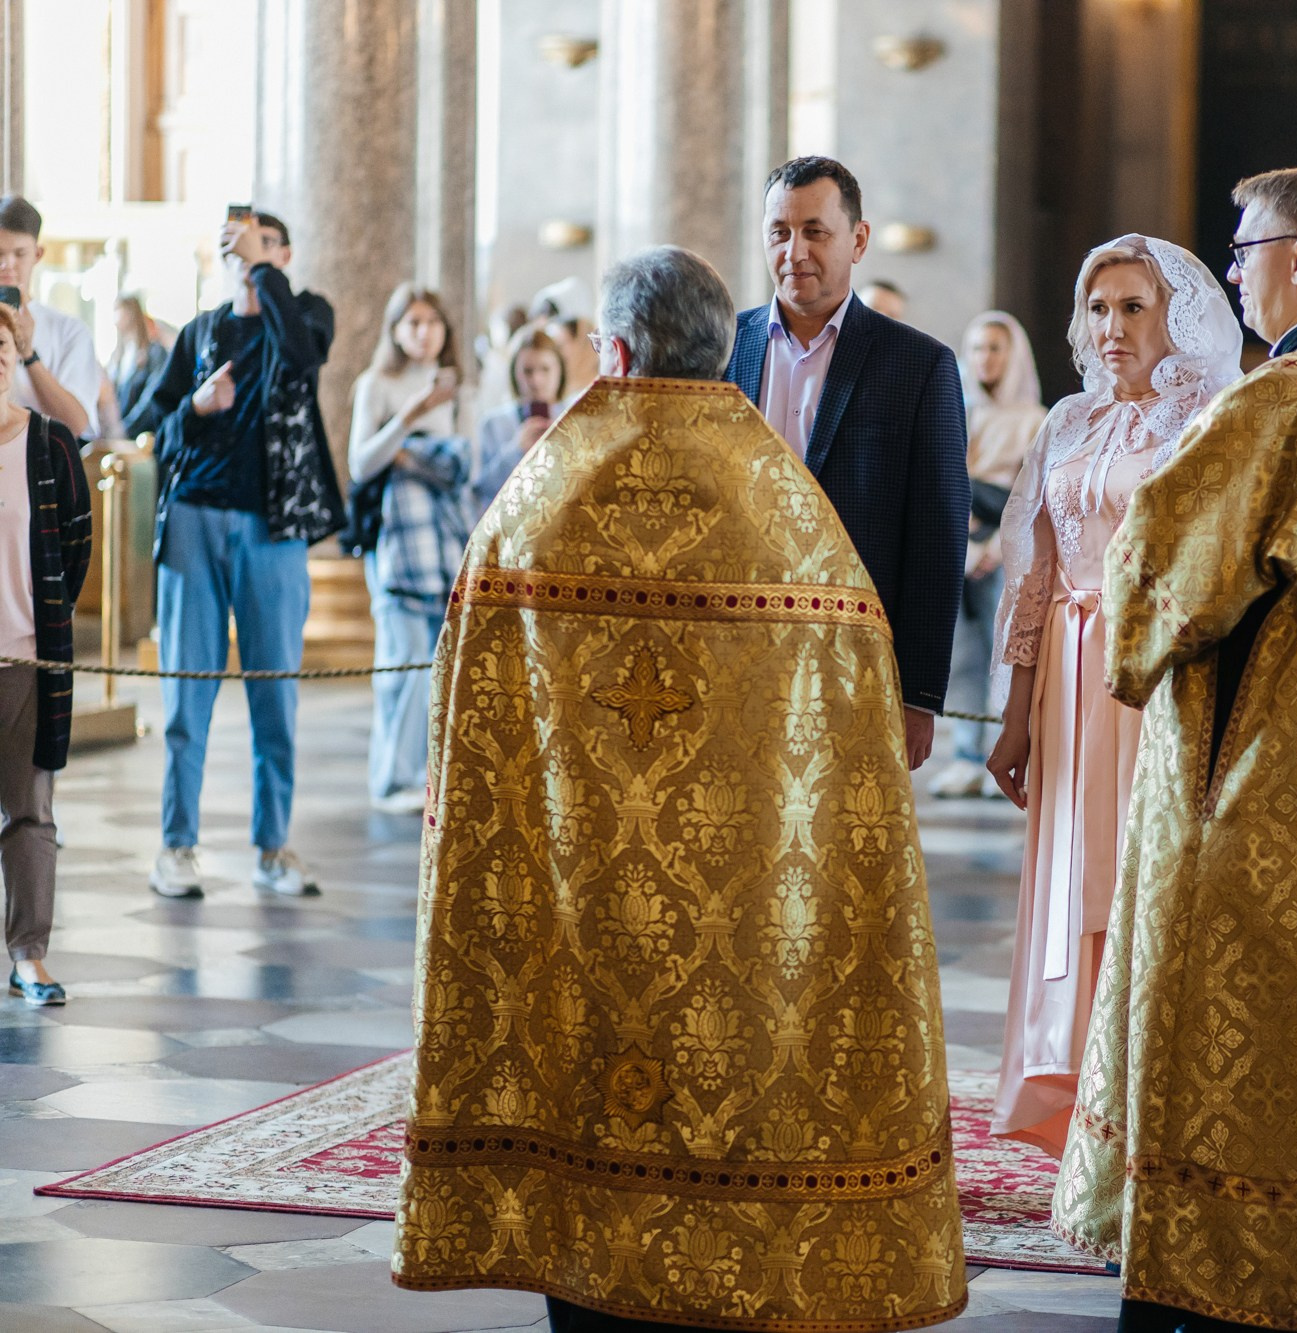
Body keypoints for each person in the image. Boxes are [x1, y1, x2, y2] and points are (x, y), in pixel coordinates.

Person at [394, 244, 966, 1331]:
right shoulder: (795, 521)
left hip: (581, 890)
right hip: (742, 910)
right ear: (724, 348)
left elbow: (467, 710)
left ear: (608, 350)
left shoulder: (538, 500)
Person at [1056, 166, 1297, 1333]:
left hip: (1260, 794)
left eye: (1242, 249)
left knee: (1237, 1051)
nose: (1226, 270)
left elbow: (1163, 571)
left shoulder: (1287, 399)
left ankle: (1227, 1282)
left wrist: (1119, 611)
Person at [982, 239, 1239, 1153]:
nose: (1113, 327)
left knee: (1138, 871)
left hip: (1151, 680)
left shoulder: (1206, 420)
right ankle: (1067, 1085)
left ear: (1175, 317)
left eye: (1134, 307)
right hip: (1062, 674)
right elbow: (1034, 570)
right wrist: (1015, 712)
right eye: (1100, 308)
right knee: (1068, 869)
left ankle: (1144, 1102)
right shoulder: (1067, 420)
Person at [725, 156, 970, 769]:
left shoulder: (919, 365)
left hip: (854, 655)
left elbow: (938, 535)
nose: (795, 251)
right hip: (731, 645)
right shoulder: (723, 349)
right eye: (779, 232)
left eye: (816, 231)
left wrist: (918, 694)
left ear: (858, 240)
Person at [127, 210, 340, 899]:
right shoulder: (198, 331)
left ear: (284, 253)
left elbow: (304, 360)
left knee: (273, 692)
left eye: (262, 244)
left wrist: (264, 274)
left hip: (273, 528)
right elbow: (147, 422)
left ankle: (273, 847)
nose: (246, 254)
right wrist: (193, 405)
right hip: (194, 517)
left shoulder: (303, 312)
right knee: (188, 691)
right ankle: (177, 844)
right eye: (235, 246)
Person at [347, 284, 471, 814]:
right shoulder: (377, 384)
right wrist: (410, 420)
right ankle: (390, 776)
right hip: (396, 539)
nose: (424, 333)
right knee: (401, 658)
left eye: (433, 322)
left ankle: (425, 772)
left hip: (445, 535)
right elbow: (362, 462)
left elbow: (462, 465)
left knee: (438, 662)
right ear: (396, 330)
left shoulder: (461, 388)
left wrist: (410, 455)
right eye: (413, 323)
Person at [0, 303, 89, 1007]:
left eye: (5, 343)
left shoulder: (48, 444)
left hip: (30, 659)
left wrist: (45, 620)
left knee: (31, 809)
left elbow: (74, 546)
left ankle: (29, 953)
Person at [929, 310, 1045, 800]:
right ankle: (966, 755)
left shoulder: (1035, 420)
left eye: (995, 347)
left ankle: (1007, 749)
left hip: (1008, 550)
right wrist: (963, 546)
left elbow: (1033, 497)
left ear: (1013, 354)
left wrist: (995, 547)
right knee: (961, 654)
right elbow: (941, 484)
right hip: (959, 546)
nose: (985, 358)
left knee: (1007, 651)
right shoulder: (955, 410)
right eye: (976, 348)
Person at [0, 197, 102, 440]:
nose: (7, 265)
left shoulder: (69, 331)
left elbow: (75, 425)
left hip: (42, 460)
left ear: (37, 254)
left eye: (19, 254)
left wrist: (28, 354)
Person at [471, 325, 567, 518]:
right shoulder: (493, 424)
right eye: (528, 371)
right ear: (515, 373)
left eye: (545, 369)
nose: (536, 381)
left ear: (560, 370)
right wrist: (516, 450)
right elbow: (481, 490)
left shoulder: (574, 417)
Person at [109, 294, 170, 427]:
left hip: (139, 435)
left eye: (118, 309)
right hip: (115, 431)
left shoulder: (154, 352)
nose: (115, 316)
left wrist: (126, 427)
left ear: (131, 312)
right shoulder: (118, 355)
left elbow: (151, 397)